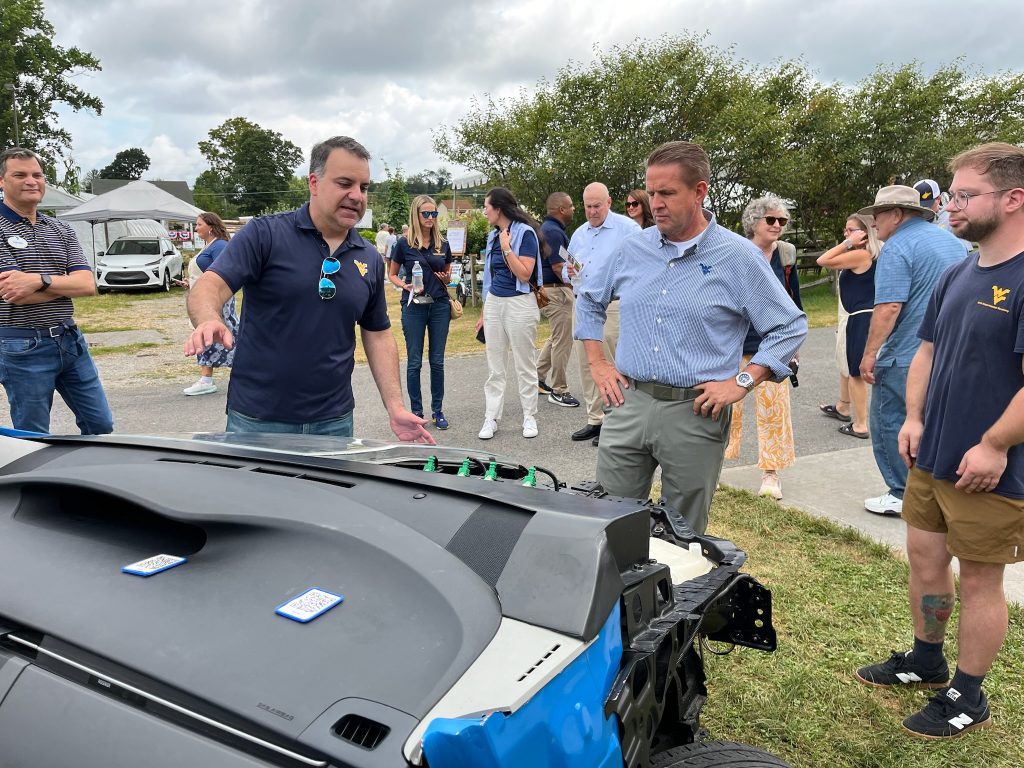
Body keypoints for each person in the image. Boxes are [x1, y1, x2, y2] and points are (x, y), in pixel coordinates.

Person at [855, 142, 1024, 739]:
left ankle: (968, 694)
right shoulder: (958, 271)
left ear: (1012, 198)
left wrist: (997, 444)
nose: (948, 204)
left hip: (992, 467)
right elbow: (927, 349)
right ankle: (926, 659)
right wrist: (914, 419)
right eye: (951, 194)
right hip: (933, 453)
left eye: (963, 194)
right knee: (927, 559)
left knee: (980, 577)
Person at [576, 141, 806, 535]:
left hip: (694, 414)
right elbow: (589, 300)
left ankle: (677, 595)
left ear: (699, 192)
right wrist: (598, 363)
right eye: (651, 193)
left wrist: (742, 381)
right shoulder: (633, 248)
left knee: (682, 534)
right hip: (628, 403)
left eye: (667, 193)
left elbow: (789, 327)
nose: (656, 203)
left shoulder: (738, 256)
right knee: (609, 525)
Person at [184, 136, 431, 443]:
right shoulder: (265, 234)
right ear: (314, 183)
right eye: (345, 183)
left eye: (364, 187)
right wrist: (209, 317)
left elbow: (377, 333)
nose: (356, 195)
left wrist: (395, 407)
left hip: (335, 422)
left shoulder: (368, 256)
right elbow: (211, 284)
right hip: (258, 419)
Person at [857, 185, 966, 516]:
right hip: (947, 350)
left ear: (896, 215)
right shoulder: (954, 242)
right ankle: (935, 490)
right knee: (933, 422)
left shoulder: (897, 247)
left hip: (905, 352)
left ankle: (901, 491)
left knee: (888, 419)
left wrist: (869, 353)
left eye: (877, 216)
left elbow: (889, 306)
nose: (873, 224)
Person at [0, 147, 113, 435]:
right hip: (22, 345)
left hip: (70, 340)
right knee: (34, 435)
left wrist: (39, 279)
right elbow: (15, 293)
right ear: (2, 181)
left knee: (100, 425)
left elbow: (88, 285)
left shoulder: (61, 229)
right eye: (20, 175)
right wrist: (65, 284)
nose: (31, 181)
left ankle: (88, 478)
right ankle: (35, 481)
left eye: (37, 175)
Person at [724, 197, 802, 500]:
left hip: (773, 344)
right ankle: (715, 463)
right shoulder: (735, 253)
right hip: (734, 343)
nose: (778, 226)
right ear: (753, 222)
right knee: (727, 408)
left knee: (773, 410)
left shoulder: (786, 256)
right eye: (771, 220)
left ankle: (771, 474)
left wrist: (794, 346)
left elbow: (794, 301)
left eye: (782, 221)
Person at [568, 182, 641, 445]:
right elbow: (572, 266)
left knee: (611, 363)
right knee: (588, 363)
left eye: (597, 206)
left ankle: (615, 421)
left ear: (609, 202)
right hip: (583, 303)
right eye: (588, 206)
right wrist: (570, 272)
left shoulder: (628, 230)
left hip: (613, 304)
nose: (592, 211)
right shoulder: (579, 234)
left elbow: (640, 267)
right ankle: (595, 418)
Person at [475, 187, 545, 440]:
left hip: (520, 304)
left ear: (499, 208)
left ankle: (529, 416)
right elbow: (489, 278)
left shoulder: (525, 234)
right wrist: (484, 311)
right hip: (495, 302)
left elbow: (525, 274)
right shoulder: (492, 236)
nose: (484, 211)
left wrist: (507, 248)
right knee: (495, 367)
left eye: (486, 207)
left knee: (524, 364)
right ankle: (491, 417)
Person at [388, 195, 453, 429]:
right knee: (414, 362)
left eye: (434, 213)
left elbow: (447, 272)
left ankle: (438, 410)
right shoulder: (403, 244)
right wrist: (403, 284)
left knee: (437, 361)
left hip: (439, 305)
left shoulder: (442, 243)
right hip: (413, 307)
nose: (430, 218)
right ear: (416, 215)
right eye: (426, 213)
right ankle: (416, 411)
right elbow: (392, 273)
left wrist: (447, 278)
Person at [816, 213, 881, 439]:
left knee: (856, 373)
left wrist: (847, 244)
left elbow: (822, 261)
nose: (846, 234)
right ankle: (844, 406)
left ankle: (861, 424)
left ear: (864, 233)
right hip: (860, 315)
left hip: (860, 317)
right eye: (845, 231)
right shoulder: (872, 254)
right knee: (847, 364)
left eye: (851, 230)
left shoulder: (862, 255)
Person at [183, 212, 238, 396]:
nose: (196, 228)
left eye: (199, 224)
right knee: (209, 335)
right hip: (204, 299)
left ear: (211, 227)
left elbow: (225, 272)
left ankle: (207, 379)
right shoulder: (209, 246)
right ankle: (207, 378)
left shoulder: (220, 246)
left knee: (217, 335)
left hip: (217, 299)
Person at [536, 192, 580, 408]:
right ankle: (560, 390)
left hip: (553, 290)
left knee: (557, 336)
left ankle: (537, 377)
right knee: (563, 340)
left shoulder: (553, 230)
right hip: (555, 291)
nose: (574, 209)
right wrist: (579, 284)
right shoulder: (552, 232)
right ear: (562, 209)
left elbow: (568, 259)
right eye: (571, 206)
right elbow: (558, 265)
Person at [914, 178, 972, 252]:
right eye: (919, 206)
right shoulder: (912, 221)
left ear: (938, 199)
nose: (924, 210)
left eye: (927, 205)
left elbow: (964, 250)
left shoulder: (952, 218)